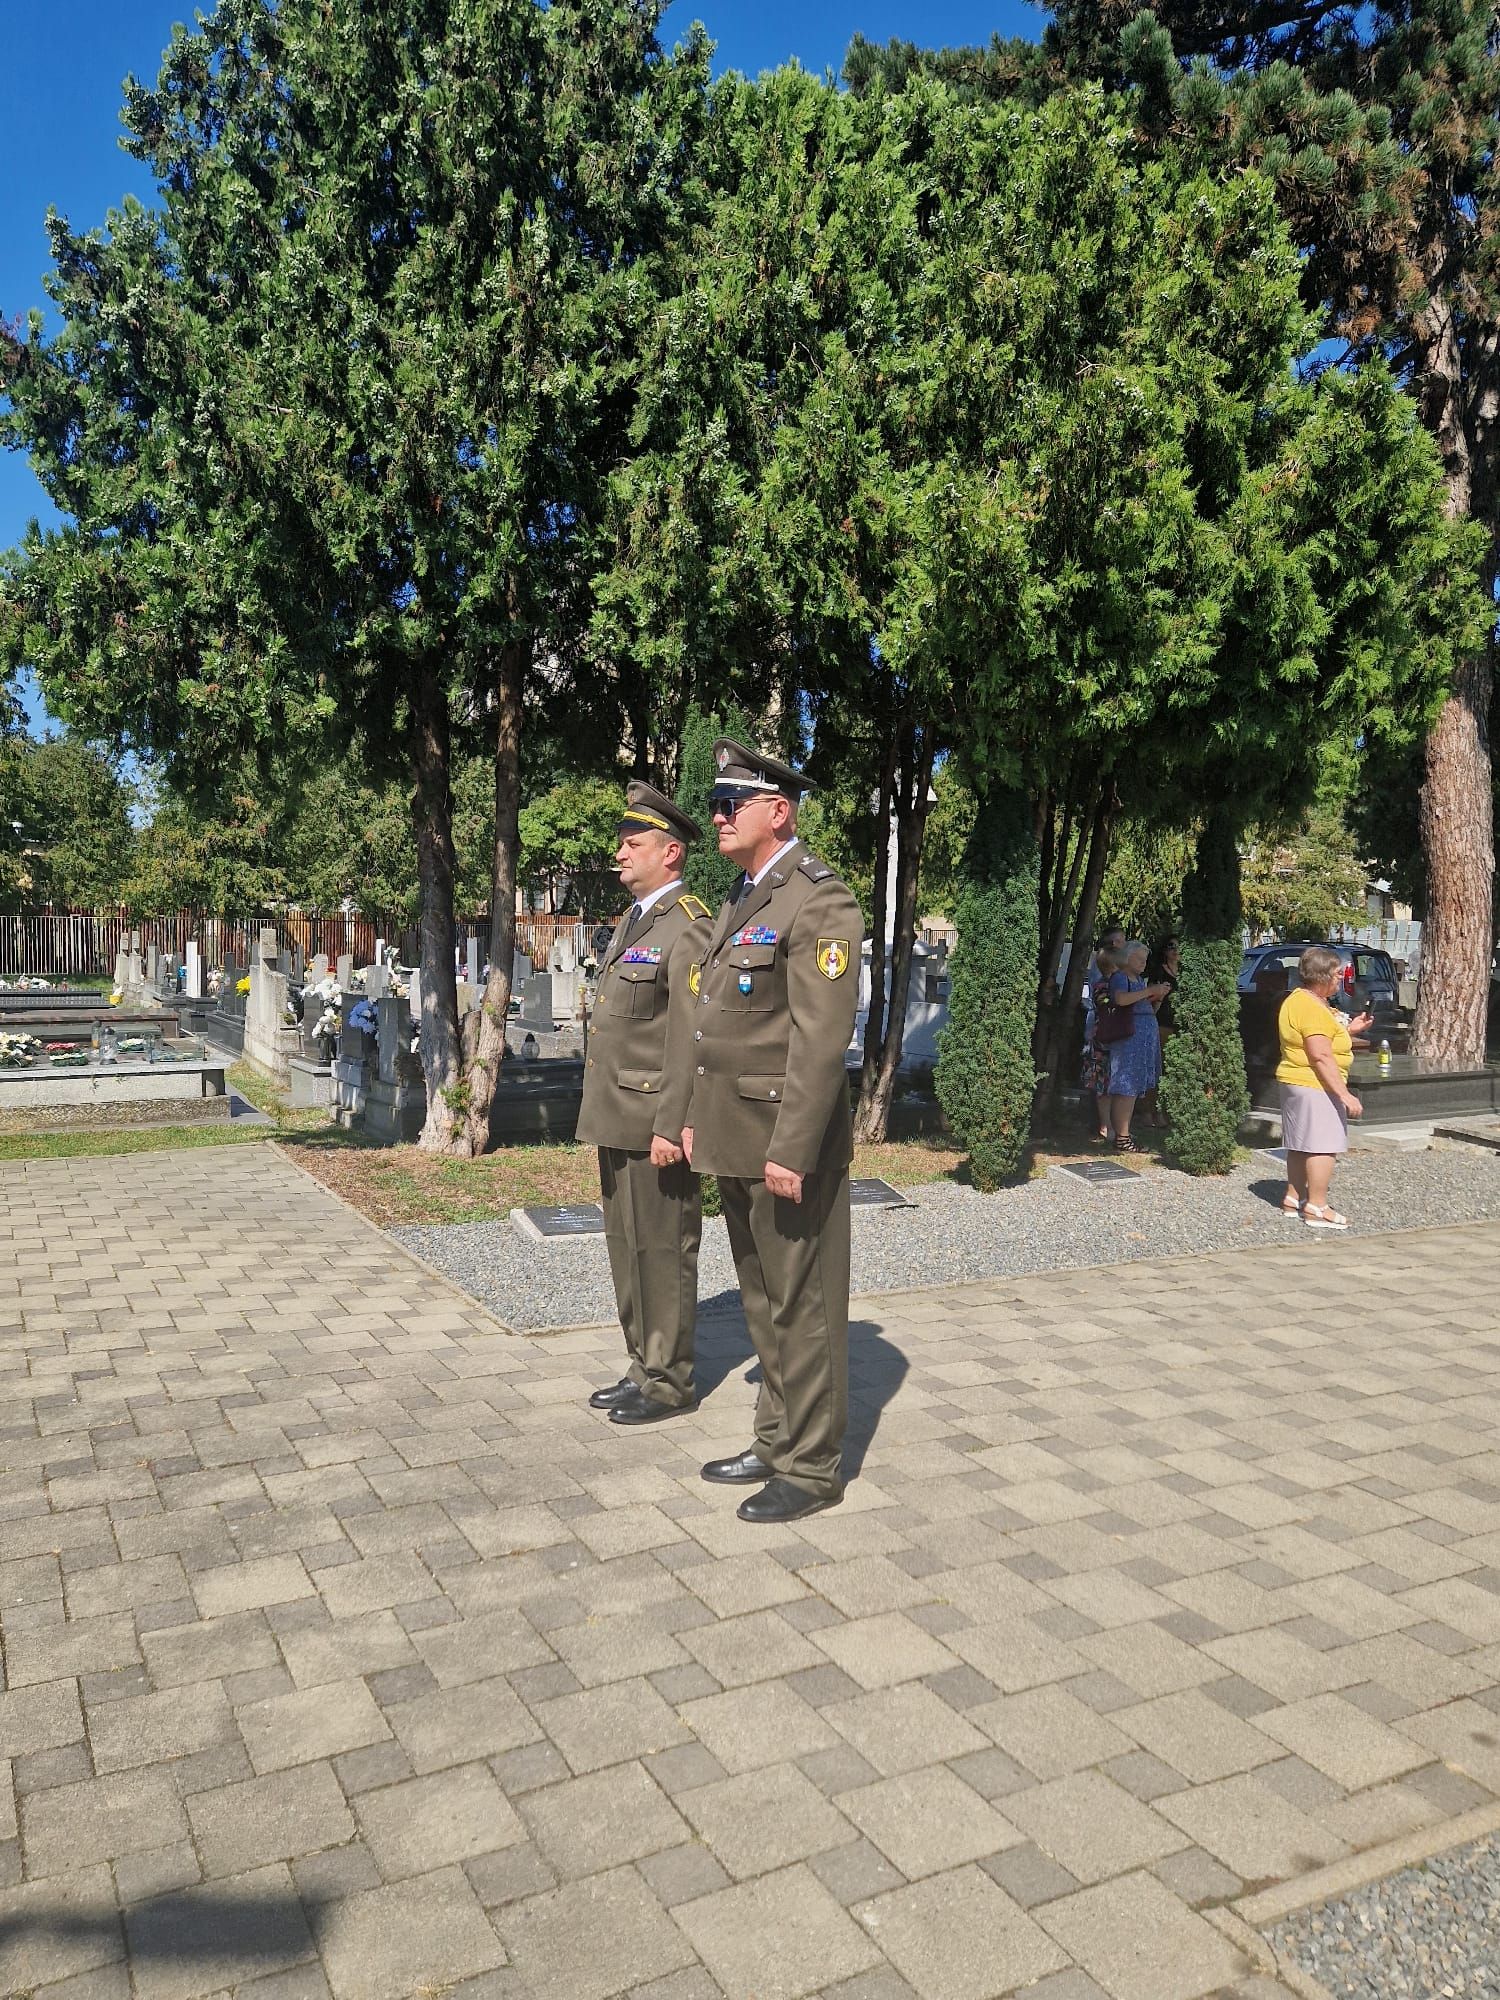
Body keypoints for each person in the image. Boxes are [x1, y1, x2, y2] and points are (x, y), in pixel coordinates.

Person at [680, 738, 864, 1524]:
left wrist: (793, 1147)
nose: (718, 816)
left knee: (803, 1304)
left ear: (778, 812)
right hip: (734, 1131)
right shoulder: (744, 896)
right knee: (762, 1300)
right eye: (716, 804)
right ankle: (776, 1437)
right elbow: (716, 1022)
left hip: (786, 1140)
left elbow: (820, 1040)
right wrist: (696, 1116)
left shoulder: (819, 900)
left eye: (732, 803)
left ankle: (813, 1467)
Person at [575, 782, 711, 1423]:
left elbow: (690, 1036)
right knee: (627, 1246)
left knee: (662, 1248)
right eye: (622, 842)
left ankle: (669, 1380)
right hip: (617, 1114)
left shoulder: (687, 926)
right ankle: (643, 1365)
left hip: (655, 1118)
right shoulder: (636, 921)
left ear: (670, 852)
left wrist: (674, 1121)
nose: (620, 853)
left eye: (634, 843)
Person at [1277, 943, 1370, 1229]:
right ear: (1323, 976)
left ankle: (1293, 1197)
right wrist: (1344, 1095)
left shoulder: (1299, 999)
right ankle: (1317, 1206)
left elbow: (1322, 1039)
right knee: (1322, 1146)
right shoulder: (1311, 1007)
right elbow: (1320, 1054)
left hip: (1296, 1081)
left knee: (1300, 1143)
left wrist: (1349, 1031)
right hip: (1314, 1084)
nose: (1341, 979)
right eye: (1338, 974)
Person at [1103, 942, 1170, 1151]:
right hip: (1129, 1039)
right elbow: (1120, 999)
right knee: (1126, 1085)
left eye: (1145, 960)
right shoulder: (1120, 977)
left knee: (1133, 1087)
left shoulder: (1138, 980)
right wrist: (1150, 990)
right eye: (1139, 959)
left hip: (1143, 1038)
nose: (1143, 963)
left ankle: (1124, 1133)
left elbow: (1146, 1008)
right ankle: (1122, 1137)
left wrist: (1157, 998)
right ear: (1127, 957)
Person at [1080, 942, 1119, 1141]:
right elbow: (1104, 1004)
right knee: (1103, 1086)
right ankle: (1105, 1125)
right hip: (1102, 1042)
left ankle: (1115, 1124)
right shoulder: (1102, 986)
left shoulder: (1116, 985)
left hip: (1114, 1042)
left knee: (1112, 1086)